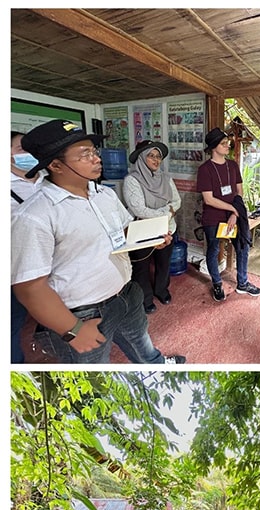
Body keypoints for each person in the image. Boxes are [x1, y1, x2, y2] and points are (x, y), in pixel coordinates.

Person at [12, 120, 185, 364]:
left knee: (142, 344)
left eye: (94, 151)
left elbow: (125, 231)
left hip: (126, 294)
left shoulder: (104, 194)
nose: (96, 159)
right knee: (95, 373)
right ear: (55, 164)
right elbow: (30, 288)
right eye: (85, 154)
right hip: (83, 315)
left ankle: (157, 364)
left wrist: (151, 238)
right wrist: (72, 330)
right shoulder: (34, 215)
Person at [196, 126, 260, 302]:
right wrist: (232, 209)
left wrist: (234, 213)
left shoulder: (232, 165)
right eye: (224, 143)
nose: (228, 146)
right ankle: (216, 283)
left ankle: (243, 283)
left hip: (233, 215)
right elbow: (208, 199)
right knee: (214, 249)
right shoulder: (205, 169)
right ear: (214, 147)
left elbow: (239, 190)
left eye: (227, 143)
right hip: (213, 217)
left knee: (242, 246)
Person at [122, 140, 180, 314]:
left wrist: (167, 213)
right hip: (143, 232)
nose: (156, 160)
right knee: (142, 268)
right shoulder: (131, 181)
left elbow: (177, 201)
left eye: (158, 157)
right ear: (141, 158)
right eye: (151, 156)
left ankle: (161, 290)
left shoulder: (166, 178)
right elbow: (138, 209)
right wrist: (167, 211)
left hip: (167, 230)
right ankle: (145, 298)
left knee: (164, 263)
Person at [11, 130, 42, 363]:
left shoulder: (46, 179)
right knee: (13, 319)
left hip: (49, 260)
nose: (28, 153)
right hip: (15, 265)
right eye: (21, 149)